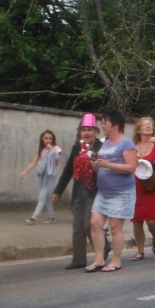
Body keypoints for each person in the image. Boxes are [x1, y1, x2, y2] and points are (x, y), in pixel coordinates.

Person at [52, 114, 109, 269]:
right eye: (83, 130)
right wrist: (58, 191)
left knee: (87, 224)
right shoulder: (76, 148)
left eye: (90, 129)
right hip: (78, 191)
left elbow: (102, 168)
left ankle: (103, 249)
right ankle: (78, 260)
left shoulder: (101, 147)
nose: (86, 133)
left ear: (97, 132)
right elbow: (68, 171)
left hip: (95, 190)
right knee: (77, 226)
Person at [85, 110, 138, 273]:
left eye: (105, 123)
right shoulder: (105, 143)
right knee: (95, 223)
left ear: (115, 125)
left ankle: (115, 260)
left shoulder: (126, 143)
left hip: (121, 193)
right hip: (103, 192)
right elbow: (98, 167)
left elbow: (131, 168)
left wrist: (109, 165)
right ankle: (99, 259)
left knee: (115, 226)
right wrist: (92, 163)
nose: (102, 126)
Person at [130, 117, 155, 261]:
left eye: (150, 125)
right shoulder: (132, 145)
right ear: (138, 129)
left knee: (152, 220)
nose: (149, 126)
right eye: (145, 125)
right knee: (137, 220)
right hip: (137, 186)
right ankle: (140, 251)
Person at [20, 130, 63, 225]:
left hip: (49, 175)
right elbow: (34, 161)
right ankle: (52, 216)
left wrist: (51, 150)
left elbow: (57, 161)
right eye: (46, 138)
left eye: (50, 138)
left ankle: (33, 217)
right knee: (45, 196)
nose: (48, 140)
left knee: (42, 196)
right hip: (41, 174)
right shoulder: (40, 149)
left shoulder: (56, 148)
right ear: (42, 139)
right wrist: (25, 171)